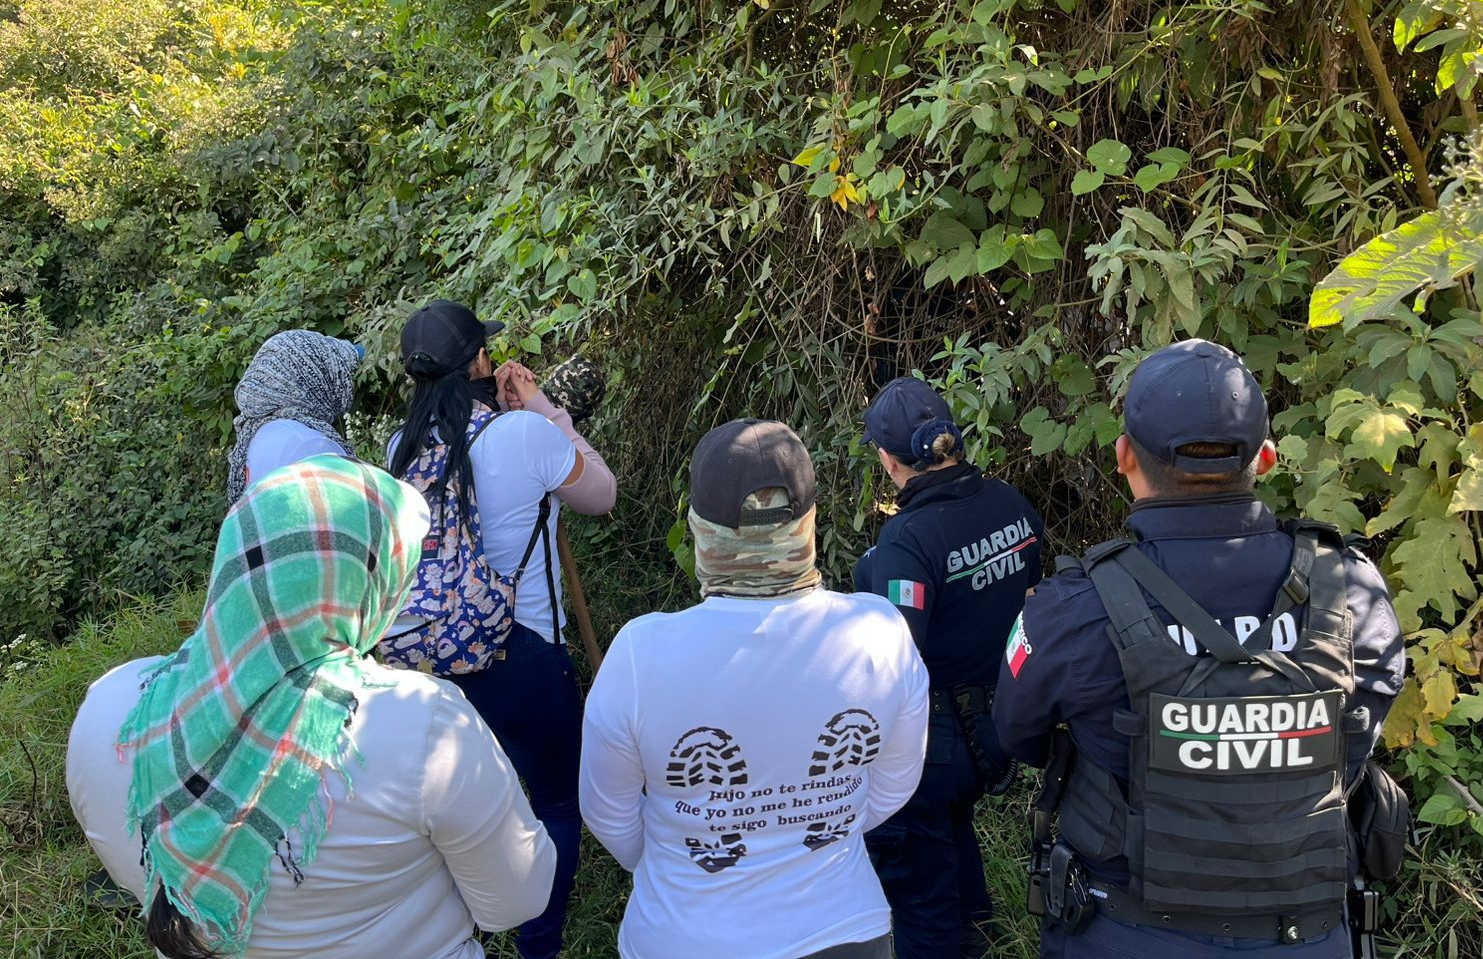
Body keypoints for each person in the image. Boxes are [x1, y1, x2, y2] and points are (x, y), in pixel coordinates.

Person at [992, 339, 1407, 959]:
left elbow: (1016, 734)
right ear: (1266, 457)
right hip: (1307, 931)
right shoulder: (1351, 588)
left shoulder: (1071, 609)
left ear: (1124, 456)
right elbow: (1360, 733)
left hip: (1125, 932)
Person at [68, 456, 557, 959]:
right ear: (375, 584)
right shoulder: (422, 722)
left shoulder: (110, 711)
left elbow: (140, 878)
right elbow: (516, 900)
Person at [580, 418, 931, 959]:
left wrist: (679, 856)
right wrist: (807, 831)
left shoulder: (640, 654)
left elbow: (608, 812)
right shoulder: (879, 632)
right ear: (810, 523)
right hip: (844, 929)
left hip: (685, 937)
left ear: (700, 529)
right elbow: (894, 784)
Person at [387, 298, 616, 959]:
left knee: (460, 818)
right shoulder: (524, 435)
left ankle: (468, 935)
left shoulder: (398, 449)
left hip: (427, 666)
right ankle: (538, 947)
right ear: (480, 363)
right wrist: (543, 409)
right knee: (555, 806)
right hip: (522, 658)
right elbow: (601, 494)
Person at [853, 376, 1047, 959]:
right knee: (953, 827)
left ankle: (953, 941)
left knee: (920, 892)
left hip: (930, 745)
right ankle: (978, 936)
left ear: (888, 459)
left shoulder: (907, 540)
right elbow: (1029, 597)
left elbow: (894, 659)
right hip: (997, 722)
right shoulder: (1011, 503)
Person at [225, 328, 363, 502]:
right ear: (314, 380)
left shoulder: (260, 431)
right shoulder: (309, 445)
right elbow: (351, 510)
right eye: (339, 376)